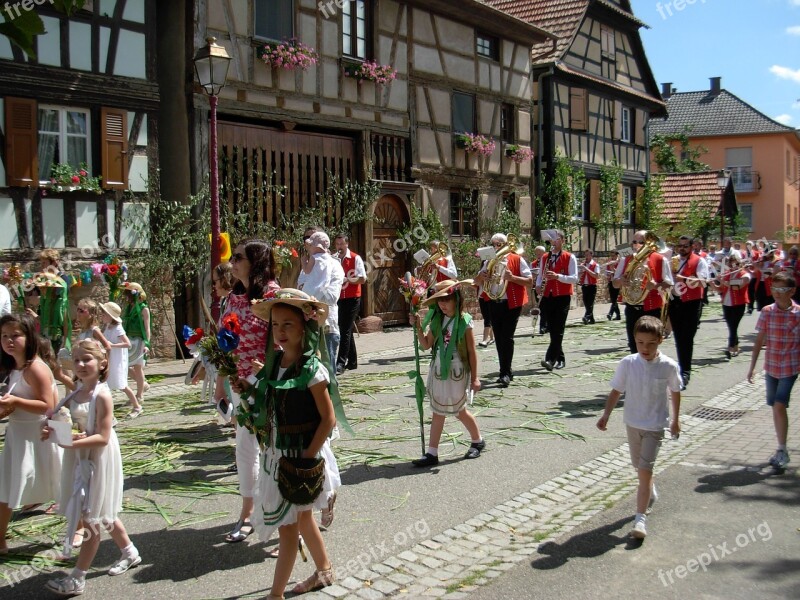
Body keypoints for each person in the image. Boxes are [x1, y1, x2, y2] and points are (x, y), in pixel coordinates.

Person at [243, 289, 341, 598]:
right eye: (275, 325)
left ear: (304, 327)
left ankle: (275, 595)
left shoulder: (312, 370)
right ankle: (324, 570)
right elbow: (268, 405)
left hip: (299, 456)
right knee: (302, 517)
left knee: (288, 529)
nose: (280, 332)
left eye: (288, 324)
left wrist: (306, 460)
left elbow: (328, 420)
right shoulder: (273, 366)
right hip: (277, 454)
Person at [43, 340, 141, 595]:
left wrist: (71, 443)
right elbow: (62, 419)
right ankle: (130, 552)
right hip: (80, 456)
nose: (81, 365)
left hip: (98, 458)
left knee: (91, 519)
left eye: (87, 359)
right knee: (101, 509)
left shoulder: (102, 394)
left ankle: (77, 577)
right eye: (76, 360)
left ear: (103, 363)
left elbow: (103, 437)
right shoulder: (76, 391)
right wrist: (52, 430)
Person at [215, 239, 280, 544]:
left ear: (255, 262)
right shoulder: (234, 297)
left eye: (238, 257)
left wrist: (267, 367)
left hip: (266, 383)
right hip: (239, 381)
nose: (233, 261)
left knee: (271, 448)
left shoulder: (272, 295)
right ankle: (247, 511)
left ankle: (280, 511)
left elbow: (286, 339)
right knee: (244, 447)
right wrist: (221, 382)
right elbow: (224, 342)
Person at [596, 316, 681, 539]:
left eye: (651, 343)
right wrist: (606, 414)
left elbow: (675, 391)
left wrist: (675, 420)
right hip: (632, 422)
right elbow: (616, 390)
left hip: (655, 425)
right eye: (640, 342)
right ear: (634, 340)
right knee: (638, 467)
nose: (645, 348)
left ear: (660, 341)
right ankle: (650, 490)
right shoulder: (628, 363)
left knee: (645, 470)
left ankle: (640, 520)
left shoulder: (668, 366)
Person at [0, 313, 61, 554]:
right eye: (4, 336)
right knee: (5, 487)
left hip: (38, 435)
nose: (9, 341)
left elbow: (48, 406)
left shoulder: (36, 367)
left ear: (29, 337)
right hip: (17, 435)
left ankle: (79, 528)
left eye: (16, 335)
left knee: (59, 483)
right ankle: (0, 540)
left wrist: (14, 400)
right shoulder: (13, 367)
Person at [411, 280, 484, 468]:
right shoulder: (437, 320)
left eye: (447, 300)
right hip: (438, 368)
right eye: (440, 301)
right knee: (437, 411)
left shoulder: (464, 321)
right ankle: (432, 453)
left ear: (456, 300)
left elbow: (471, 352)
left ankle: (477, 440)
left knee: (459, 410)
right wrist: (418, 326)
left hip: (458, 369)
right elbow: (426, 345)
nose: (442, 305)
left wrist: (475, 378)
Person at [747, 272, 799, 470]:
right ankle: (781, 447)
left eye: (782, 290)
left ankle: (782, 448)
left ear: (792, 291)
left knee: (779, 405)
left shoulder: (798, 313)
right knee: (775, 406)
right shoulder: (768, 311)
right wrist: (752, 367)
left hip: (790, 367)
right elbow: (759, 340)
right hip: (772, 367)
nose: (777, 293)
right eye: (774, 289)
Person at [474, 233, 531, 387]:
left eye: (499, 244)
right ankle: (504, 370)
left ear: (506, 245)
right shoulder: (488, 261)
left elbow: (529, 281)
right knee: (499, 337)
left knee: (507, 336)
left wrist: (512, 278)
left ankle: (505, 372)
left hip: (511, 303)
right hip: (493, 301)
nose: (496, 247)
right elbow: (476, 282)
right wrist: (481, 277)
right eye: (493, 244)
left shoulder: (517, 259)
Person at [614, 231, 673, 355]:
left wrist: (656, 285)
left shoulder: (660, 258)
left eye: (641, 242)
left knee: (650, 345)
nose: (637, 245)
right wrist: (620, 281)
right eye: (634, 242)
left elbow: (669, 284)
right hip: (631, 307)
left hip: (651, 308)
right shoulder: (626, 258)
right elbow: (614, 283)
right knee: (633, 344)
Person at [299, 231, 344, 375]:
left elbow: (331, 297)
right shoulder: (312, 263)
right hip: (307, 321)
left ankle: (330, 396)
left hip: (326, 325)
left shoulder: (334, 265)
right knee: (311, 371)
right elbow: (300, 285)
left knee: (327, 371)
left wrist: (313, 298)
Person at [668, 235, 709, 388]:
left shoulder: (699, 261)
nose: (682, 249)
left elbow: (704, 282)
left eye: (685, 246)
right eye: (680, 246)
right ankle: (682, 369)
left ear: (692, 247)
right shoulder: (673, 260)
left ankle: (685, 371)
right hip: (675, 302)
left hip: (692, 303)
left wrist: (682, 279)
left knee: (687, 337)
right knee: (679, 338)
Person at [536, 230, 577, 371]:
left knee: (558, 329)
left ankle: (550, 360)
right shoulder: (545, 257)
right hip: (548, 296)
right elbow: (541, 275)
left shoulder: (569, 257)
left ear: (563, 241)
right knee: (553, 329)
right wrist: (537, 285)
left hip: (562, 297)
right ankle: (560, 358)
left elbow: (574, 278)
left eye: (557, 239)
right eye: (552, 239)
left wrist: (557, 276)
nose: (554, 242)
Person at [99, 302, 140, 418]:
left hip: (117, 360)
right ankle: (107, 412)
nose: (101, 315)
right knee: (106, 383)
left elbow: (127, 344)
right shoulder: (108, 326)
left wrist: (112, 345)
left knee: (122, 385)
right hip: (109, 358)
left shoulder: (117, 328)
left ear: (110, 316)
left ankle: (137, 406)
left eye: (104, 313)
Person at [334, 233, 366, 375]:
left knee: (344, 330)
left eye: (342, 244)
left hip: (353, 298)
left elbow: (362, 279)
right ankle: (352, 361)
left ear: (347, 244)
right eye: (337, 244)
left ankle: (340, 362)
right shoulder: (334, 258)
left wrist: (346, 279)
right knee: (345, 328)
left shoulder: (355, 258)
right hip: (338, 297)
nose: (339, 247)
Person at [710, 251, 750, 359]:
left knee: (733, 325)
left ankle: (730, 348)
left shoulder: (745, 275)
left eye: (736, 264)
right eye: (731, 264)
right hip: (726, 303)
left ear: (740, 263)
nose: (734, 266)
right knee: (731, 326)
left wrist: (722, 280)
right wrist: (712, 284)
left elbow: (737, 287)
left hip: (739, 304)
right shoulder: (727, 275)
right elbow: (721, 290)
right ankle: (735, 345)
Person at [120, 282, 151, 404]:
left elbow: (147, 328)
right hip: (129, 339)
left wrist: (147, 344)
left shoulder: (144, 309)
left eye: (128, 294)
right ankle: (143, 384)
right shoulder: (128, 308)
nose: (127, 297)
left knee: (138, 367)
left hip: (139, 340)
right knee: (125, 366)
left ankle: (139, 395)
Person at [579, 249, 600, 325]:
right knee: (586, 302)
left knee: (590, 303)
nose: (586, 257)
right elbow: (579, 275)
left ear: (591, 255)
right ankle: (592, 319)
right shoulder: (583, 264)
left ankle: (586, 317)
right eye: (585, 255)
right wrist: (580, 271)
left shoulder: (595, 265)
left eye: (588, 255)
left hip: (592, 286)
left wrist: (586, 269)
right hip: (584, 286)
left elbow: (596, 276)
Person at [743, 240, 760, 314]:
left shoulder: (756, 253)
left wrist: (752, 267)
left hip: (753, 274)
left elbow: (758, 264)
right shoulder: (743, 253)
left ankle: (751, 307)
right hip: (745, 274)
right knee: (745, 290)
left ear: (752, 246)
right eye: (747, 245)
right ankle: (747, 306)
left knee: (751, 291)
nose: (748, 246)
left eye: (749, 245)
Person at [605, 251, 621, 320]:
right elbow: (606, 273)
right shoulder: (610, 263)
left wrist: (613, 269)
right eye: (611, 256)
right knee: (613, 299)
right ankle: (618, 315)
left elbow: (619, 273)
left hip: (617, 282)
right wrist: (608, 274)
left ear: (617, 256)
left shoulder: (620, 263)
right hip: (611, 281)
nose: (612, 257)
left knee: (614, 299)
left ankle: (610, 313)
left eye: (613, 255)